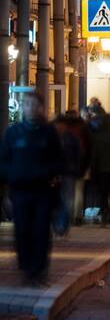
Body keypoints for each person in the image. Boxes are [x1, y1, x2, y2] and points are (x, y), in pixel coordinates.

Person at [0, 90, 63, 283]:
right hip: (19, 190)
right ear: (22, 107)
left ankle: (39, 269)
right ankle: (27, 268)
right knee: (22, 230)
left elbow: (58, 159)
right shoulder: (13, 132)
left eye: (34, 105)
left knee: (42, 230)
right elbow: (4, 160)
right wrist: (10, 177)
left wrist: (48, 172)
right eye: (27, 104)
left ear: (41, 108)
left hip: (42, 189)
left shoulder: (48, 132)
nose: (30, 108)